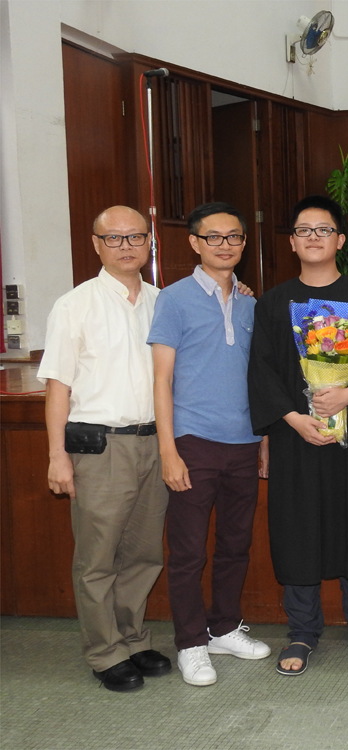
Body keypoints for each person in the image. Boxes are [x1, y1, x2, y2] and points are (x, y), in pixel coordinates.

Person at [247, 195, 348, 676]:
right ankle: (302, 630)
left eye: (324, 230)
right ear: (292, 242)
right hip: (295, 436)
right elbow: (261, 371)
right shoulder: (273, 303)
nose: (314, 237)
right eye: (304, 230)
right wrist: (293, 418)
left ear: (341, 240)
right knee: (298, 528)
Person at [39, 206, 172, 692]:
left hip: (155, 443)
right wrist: (57, 455)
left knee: (143, 553)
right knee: (98, 557)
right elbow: (58, 386)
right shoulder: (74, 305)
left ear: (149, 242)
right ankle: (104, 652)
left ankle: (133, 640)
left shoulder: (163, 302)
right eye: (113, 238)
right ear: (96, 244)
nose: (126, 246)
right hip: (100, 448)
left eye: (135, 236)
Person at [148, 202, 270, 687]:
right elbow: (161, 380)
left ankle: (223, 628)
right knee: (188, 552)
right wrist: (168, 450)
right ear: (195, 243)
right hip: (193, 441)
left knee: (235, 545)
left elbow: (257, 379)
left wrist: (262, 438)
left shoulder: (251, 304)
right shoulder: (174, 298)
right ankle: (191, 643)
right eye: (213, 237)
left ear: (244, 242)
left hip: (243, 441)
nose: (225, 245)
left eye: (234, 236)